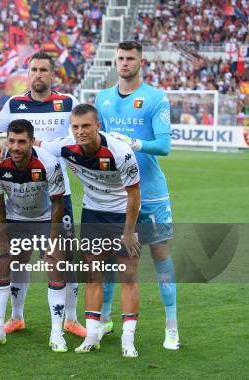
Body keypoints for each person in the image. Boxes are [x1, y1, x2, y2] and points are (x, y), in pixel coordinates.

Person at [0, 51, 85, 338]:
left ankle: (71, 319)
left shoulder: (68, 104)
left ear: (53, 75)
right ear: (28, 74)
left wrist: (43, 145)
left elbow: (78, 138)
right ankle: (16, 317)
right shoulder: (15, 104)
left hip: (56, 192)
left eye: (43, 70)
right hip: (20, 193)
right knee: (18, 257)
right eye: (33, 69)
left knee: (63, 258)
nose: (38, 74)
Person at [95, 40, 179, 350]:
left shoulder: (155, 98)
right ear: (115, 61)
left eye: (130, 58)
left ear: (140, 61)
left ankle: (172, 327)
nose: (125, 63)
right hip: (115, 193)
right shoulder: (102, 98)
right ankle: (104, 321)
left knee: (160, 255)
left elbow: (165, 145)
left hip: (151, 193)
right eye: (120, 58)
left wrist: (134, 142)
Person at [41, 104, 142, 358]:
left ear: (98, 125)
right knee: (93, 275)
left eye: (86, 126)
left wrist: (129, 232)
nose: (80, 131)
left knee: (128, 275)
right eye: (75, 127)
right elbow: (34, 145)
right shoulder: (65, 146)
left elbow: (134, 195)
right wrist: (1, 146)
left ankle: (128, 339)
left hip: (122, 215)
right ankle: (93, 335)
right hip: (92, 215)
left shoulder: (121, 153)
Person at [0, 119, 69, 351]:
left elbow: (57, 203)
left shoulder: (48, 163)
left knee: (56, 263)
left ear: (32, 142)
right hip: (14, 219)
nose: (16, 147)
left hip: (44, 218)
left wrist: (52, 238)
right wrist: (3, 234)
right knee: (0, 261)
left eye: (22, 142)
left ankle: (57, 333)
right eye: (11, 141)